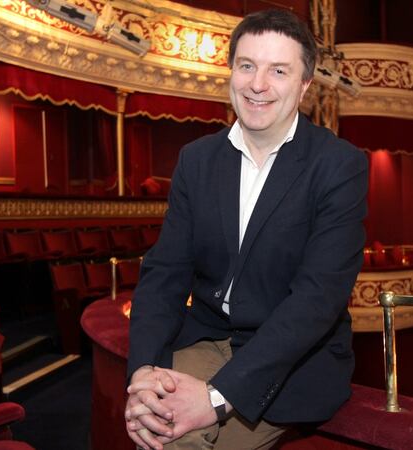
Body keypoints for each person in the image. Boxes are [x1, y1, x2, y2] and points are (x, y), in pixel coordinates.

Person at [124, 8, 368, 450]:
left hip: (292, 361)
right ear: (232, 71)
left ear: (304, 85)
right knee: (154, 421)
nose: (258, 84)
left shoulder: (339, 166)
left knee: (174, 441)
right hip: (207, 339)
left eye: (279, 70)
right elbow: (165, 274)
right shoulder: (196, 159)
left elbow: (316, 301)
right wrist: (142, 373)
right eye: (247, 66)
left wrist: (217, 398)